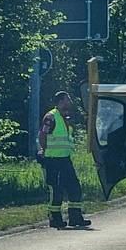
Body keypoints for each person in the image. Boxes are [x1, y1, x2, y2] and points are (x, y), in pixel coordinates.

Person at [38, 91, 91, 229]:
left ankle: (75, 217)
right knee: (56, 190)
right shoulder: (51, 117)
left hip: (65, 159)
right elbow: (42, 134)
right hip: (52, 160)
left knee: (74, 187)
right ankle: (55, 219)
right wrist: (43, 150)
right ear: (61, 102)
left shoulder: (65, 117)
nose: (70, 102)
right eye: (68, 100)